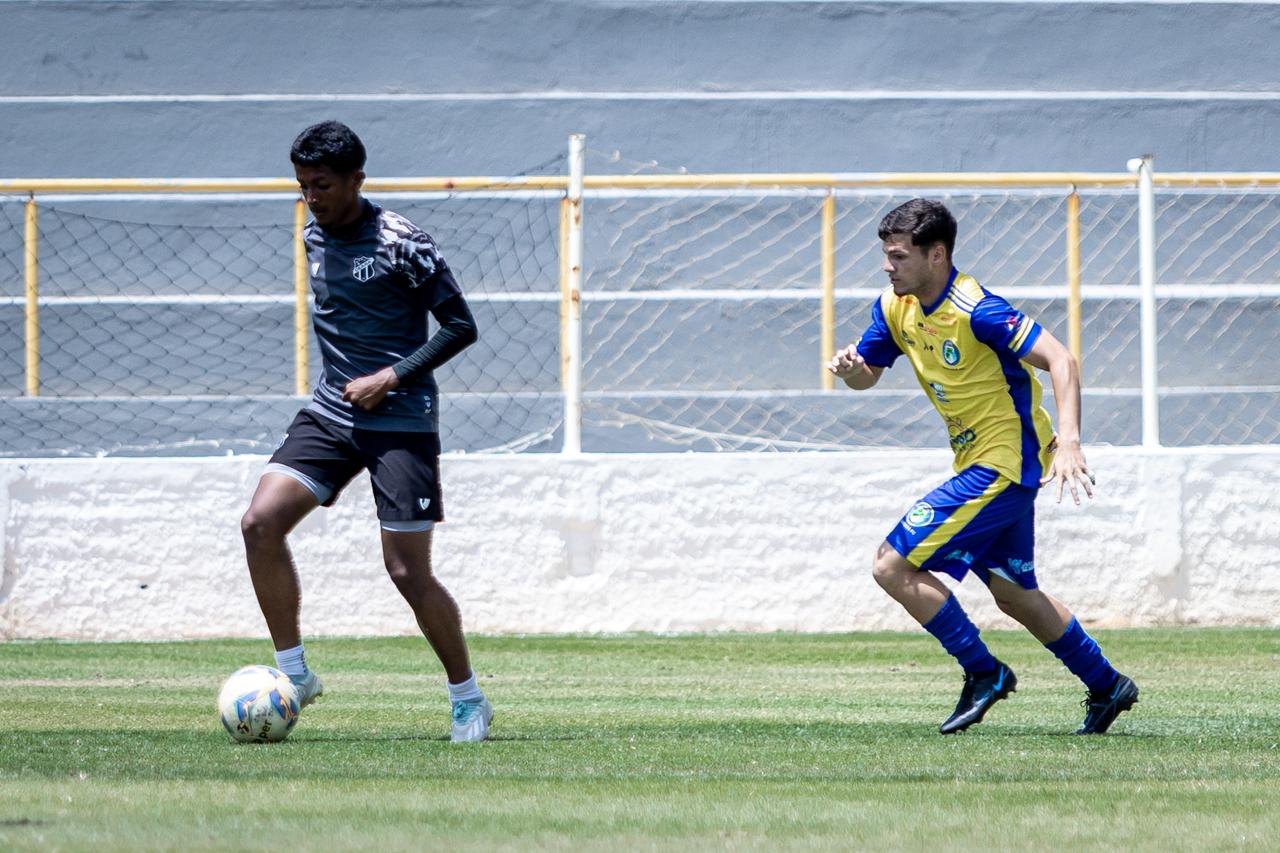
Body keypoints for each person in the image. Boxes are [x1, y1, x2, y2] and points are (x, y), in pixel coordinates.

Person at [828, 198, 1138, 735]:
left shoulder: (980, 311)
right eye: (886, 254)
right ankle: (1107, 684)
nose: (887, 265)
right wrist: (851, 370)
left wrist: (1070, 442)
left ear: (937, 254)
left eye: (898, 255)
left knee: (891, 565)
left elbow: (1062, 360)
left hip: (1004, 463)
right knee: (1015, 594)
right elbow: (868, 377)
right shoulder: (893, 306)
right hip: (982, 461)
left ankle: (984, 672)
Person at [240, 120, 492, 742]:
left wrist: (392, 376)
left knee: (406, 572)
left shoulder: (404, 242)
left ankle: (468, 699)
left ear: (357, 179)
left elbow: (461, 328)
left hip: (400, 416)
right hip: (331, 411)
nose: (311, 198)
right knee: (259, 523)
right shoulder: (310, 232)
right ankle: (294, 674)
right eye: (302, 186)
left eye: (322, 185)